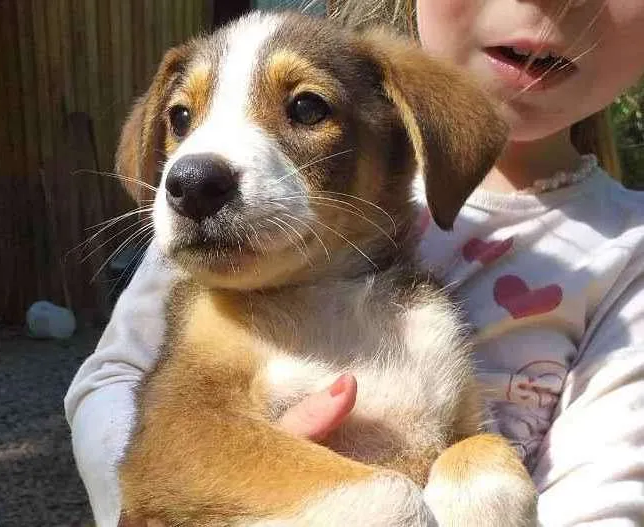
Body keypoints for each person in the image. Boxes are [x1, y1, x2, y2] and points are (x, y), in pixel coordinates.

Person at [65, 0, 644, 525]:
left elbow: (595, 496)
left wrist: (483, 474)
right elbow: (146, 432)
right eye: (181, 119)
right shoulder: (214, 282)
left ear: (396, 134)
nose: (191, 175)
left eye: (305, 108)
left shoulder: (614, 259)